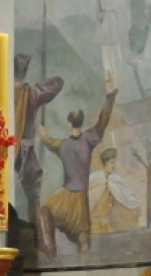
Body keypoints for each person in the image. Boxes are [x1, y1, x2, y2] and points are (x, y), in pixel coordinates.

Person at [38, 75, 118, 261]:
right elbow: (103, 120)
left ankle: (51, 248)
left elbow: (48, 142)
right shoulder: (89, 138)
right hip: (78, 195)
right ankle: (54, 250)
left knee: (46, 211)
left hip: (68, 196)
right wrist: (110, 97)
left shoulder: (63, 144)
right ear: (80, 122)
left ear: (69, 123)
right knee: (82, 239)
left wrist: (42, 134)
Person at [13, 53, 64, 241]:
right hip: (24, 153)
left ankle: (36, 236)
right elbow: (58, 83)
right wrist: (36, 86)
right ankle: (37, 238)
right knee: (33, 196)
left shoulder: (4, 90)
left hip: (11, 151)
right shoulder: (31, 93)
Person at [89, 148, 141, 233]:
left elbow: (126, 195)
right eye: (112, 162)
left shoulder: (115, 179)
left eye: (115, 162)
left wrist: (135, 205)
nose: (114, 166)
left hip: (110, 222)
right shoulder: (95, 178)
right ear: (105, 163)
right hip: (95, 223)